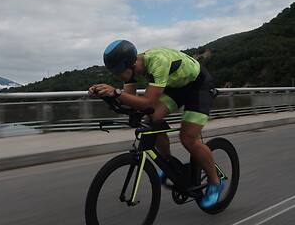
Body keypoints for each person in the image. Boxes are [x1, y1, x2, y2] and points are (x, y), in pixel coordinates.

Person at [88, 39, 224, 208]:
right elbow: (129, 101)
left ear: (131, 63)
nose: (117, 75)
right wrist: (105, 95)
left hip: (198, 87)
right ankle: (169, 163)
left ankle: (215, 182)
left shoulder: (158, 62)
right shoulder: (129, 71)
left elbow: (148, 103)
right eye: (113, 72)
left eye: (118, 71)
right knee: (150, 120)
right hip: (177, 88)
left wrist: (115, 92)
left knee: (188, 138)